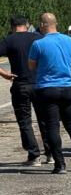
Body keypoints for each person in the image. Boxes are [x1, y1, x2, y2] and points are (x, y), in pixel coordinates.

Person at [27, 13, 71, 174]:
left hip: (48, 88)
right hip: (67, 86)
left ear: (42, 25)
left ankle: (60, 164)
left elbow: (31, 66)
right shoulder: (69, 41)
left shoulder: (38, 44)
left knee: (52, 127)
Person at [0, 15, 49, 165]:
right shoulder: (38, 37)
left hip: (20, 84)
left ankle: (34, 155)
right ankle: (51, 153)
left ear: (12, 26)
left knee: (25, 121)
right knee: (45, 120)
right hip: (39, 83)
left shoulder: (9, 40)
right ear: (27, 25)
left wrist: (4, 74)